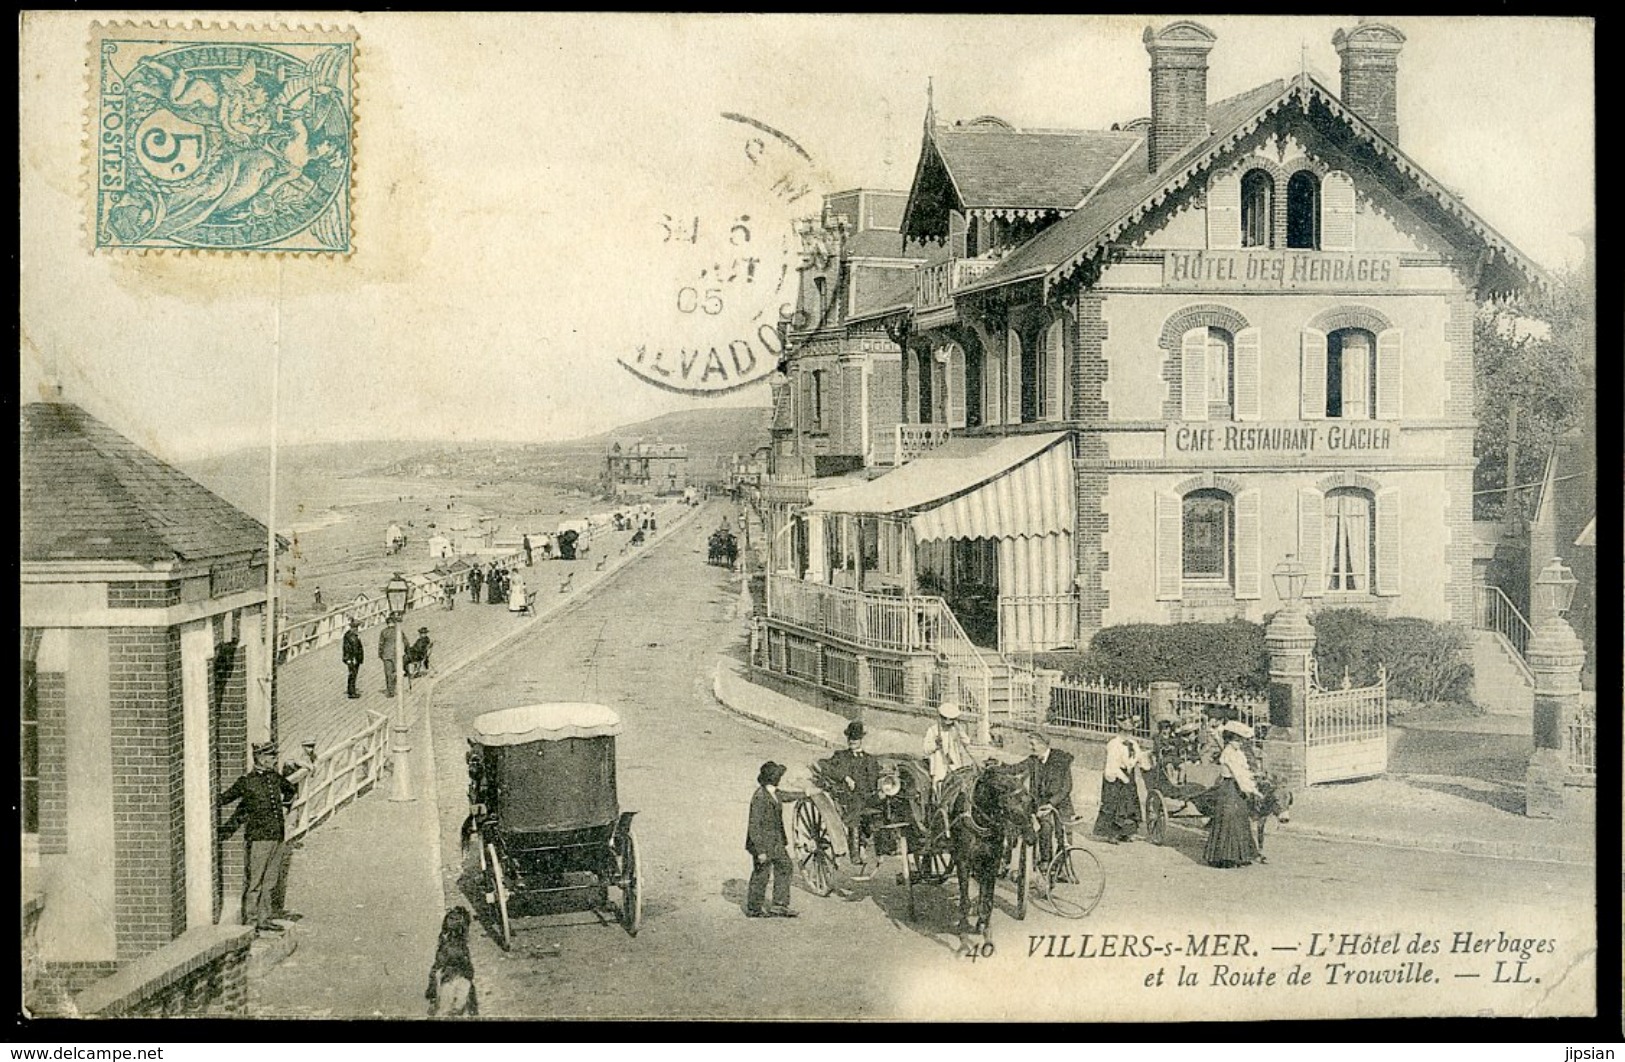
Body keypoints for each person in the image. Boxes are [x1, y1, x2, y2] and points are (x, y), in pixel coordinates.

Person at [219, 743, 298, 932]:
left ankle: (264, 919)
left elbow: (290, 789)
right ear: (261, 759)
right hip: (258, 837)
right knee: (255, 882)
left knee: (270, 881)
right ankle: (251, 922)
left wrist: (286, 807)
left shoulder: (274, 777)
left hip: (277, 836)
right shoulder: (246, 782)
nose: (274, 760)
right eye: (271, 757)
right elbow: (224, 799)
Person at [1205, 722, 1263, 868]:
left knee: (1240, 818)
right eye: (1237, 740)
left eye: (1241, 740)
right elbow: (1238, 775)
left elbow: (1245, 772)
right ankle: (1225, 857)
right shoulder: (1229, 753)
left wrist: (1253, 780)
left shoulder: (1238, 753)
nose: (1240, 743)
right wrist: (1252, 790)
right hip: (1229, 787)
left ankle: (1242, 855)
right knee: (1229, 819)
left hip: (1237, 788)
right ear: (1230, 739)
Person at [744, 761, 798, 918]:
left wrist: (806, 793)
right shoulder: (760, 797)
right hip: (762, 843)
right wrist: (760, 851)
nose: (779, 779)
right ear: (772, 779)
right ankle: (754, 908)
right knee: (761, 874)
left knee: (785, 866)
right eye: (778, 776)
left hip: (776, 841)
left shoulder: (774, 792)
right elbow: (754, 826)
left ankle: (779, 905)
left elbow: (787, 796)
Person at [825, 720, 881, 869]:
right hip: (849, 797)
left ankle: (881, 846)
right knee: (857, 808)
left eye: (855, 738)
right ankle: (855, 853)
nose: (852, 741)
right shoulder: (841, 756)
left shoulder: (870, 759)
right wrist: (845, 777)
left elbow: (877, 776)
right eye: (850, 738)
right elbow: (827, 767)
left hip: (869, 795)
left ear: (861, 740)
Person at [1025, 731, 1075, 866]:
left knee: (1064, 834)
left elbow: (1066, 787)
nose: (1030, 747)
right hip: (1042, 804)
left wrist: (1052, 803)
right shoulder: (1033, 760)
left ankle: (1061, 866)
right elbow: (1015, 769)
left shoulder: (1061, 759)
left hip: (1061, 803)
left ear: (1042, 744)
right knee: (1045, 828)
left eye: (1032, 744)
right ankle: (1046, 862)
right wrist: (999, 765)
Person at [1094, 713, 1142, 844]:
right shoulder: (1114, 744)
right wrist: (1122, 777)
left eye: (1130, 731)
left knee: (1129, 804)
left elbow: (1138, 757)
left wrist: (1141, 762)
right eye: (1126, 731)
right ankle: (1112, 834)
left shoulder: (1133, 743)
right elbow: (1112, 763)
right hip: (1115, 776)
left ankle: (1126, 832)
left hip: (1129, 774)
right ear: (1120, 730)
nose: (1129, 733)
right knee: (1114, 804)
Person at [425, 907, 478, 1017]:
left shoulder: (445, 943)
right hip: (457, 978)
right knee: (456, 1007)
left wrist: (432, 993)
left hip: (448, 978)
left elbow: (438, 965)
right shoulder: (458, 946)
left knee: (445, 1009)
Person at [923, 702, 975, 786]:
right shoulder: (933, 731)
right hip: (939, 765)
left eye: (951, 720)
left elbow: (966, 742)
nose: (948, 722)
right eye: (946, 719)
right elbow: (926, 749)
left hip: (953, 764)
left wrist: (959, 730)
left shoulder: (955, 730)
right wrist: (936, 745)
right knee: (939, 786)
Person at [341, 617, 364, 699]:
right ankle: (352, 692)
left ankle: (350, 690)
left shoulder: (348, 634)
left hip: (349, 658)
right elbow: (354, 649)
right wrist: (354, 658)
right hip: (353, 658)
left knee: (352, 674)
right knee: (353, 674)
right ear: (355, 628)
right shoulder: (353, 636)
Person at [379, 616, 399, 697]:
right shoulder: (398, 631)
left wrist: (380, 654)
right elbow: (405, 641)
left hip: (386, 655)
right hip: (396, 654)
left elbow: (381, 644)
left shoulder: (383, 632)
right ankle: (393, 688)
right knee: (396, 672)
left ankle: (390, 690)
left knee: (388, 673)